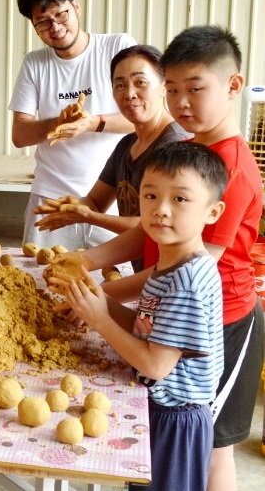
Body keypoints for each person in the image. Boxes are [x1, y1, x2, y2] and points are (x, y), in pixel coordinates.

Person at [59, 26, 265, 491]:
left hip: (222, 322)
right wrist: (86, 264)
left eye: (195, 89)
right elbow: (149, 233)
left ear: (233, 86)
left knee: (213, 448)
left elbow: (184, 267)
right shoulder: (186, 151)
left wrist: (102, 299)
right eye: (172, 90)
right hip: (168, 310)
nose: (181, 103)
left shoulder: (229, 167)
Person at [50, 141, 227, 491]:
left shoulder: (186, 281)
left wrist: (100, 318)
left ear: (213, 212)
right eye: (150, 196)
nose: (161, 210)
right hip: (161, 410)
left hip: (175, 419)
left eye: (180, 199)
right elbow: (150, 332)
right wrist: (96, 299)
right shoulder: (171, 264)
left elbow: (156, 365)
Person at [9, 0, 136, 249]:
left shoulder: (118, 47)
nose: (54, 27)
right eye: (42, 22)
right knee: (37, 282)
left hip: (112, 198)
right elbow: (19, 135)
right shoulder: (35, 63)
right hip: (51, 198)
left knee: (114, 284)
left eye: (60, 14)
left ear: (76, 7)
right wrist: (60, 122)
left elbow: (144, 116)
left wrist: (93, 123)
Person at [34, 45, 191, 270]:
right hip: (146, 274)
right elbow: (96, 201)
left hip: (173, 278)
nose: (129, 94)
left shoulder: (176, 145)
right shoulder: (127, 144)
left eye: (140, 82)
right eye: (120, 85)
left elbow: (158, 225)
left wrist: (87, 217)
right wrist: (70, 207)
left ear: (164, 87)